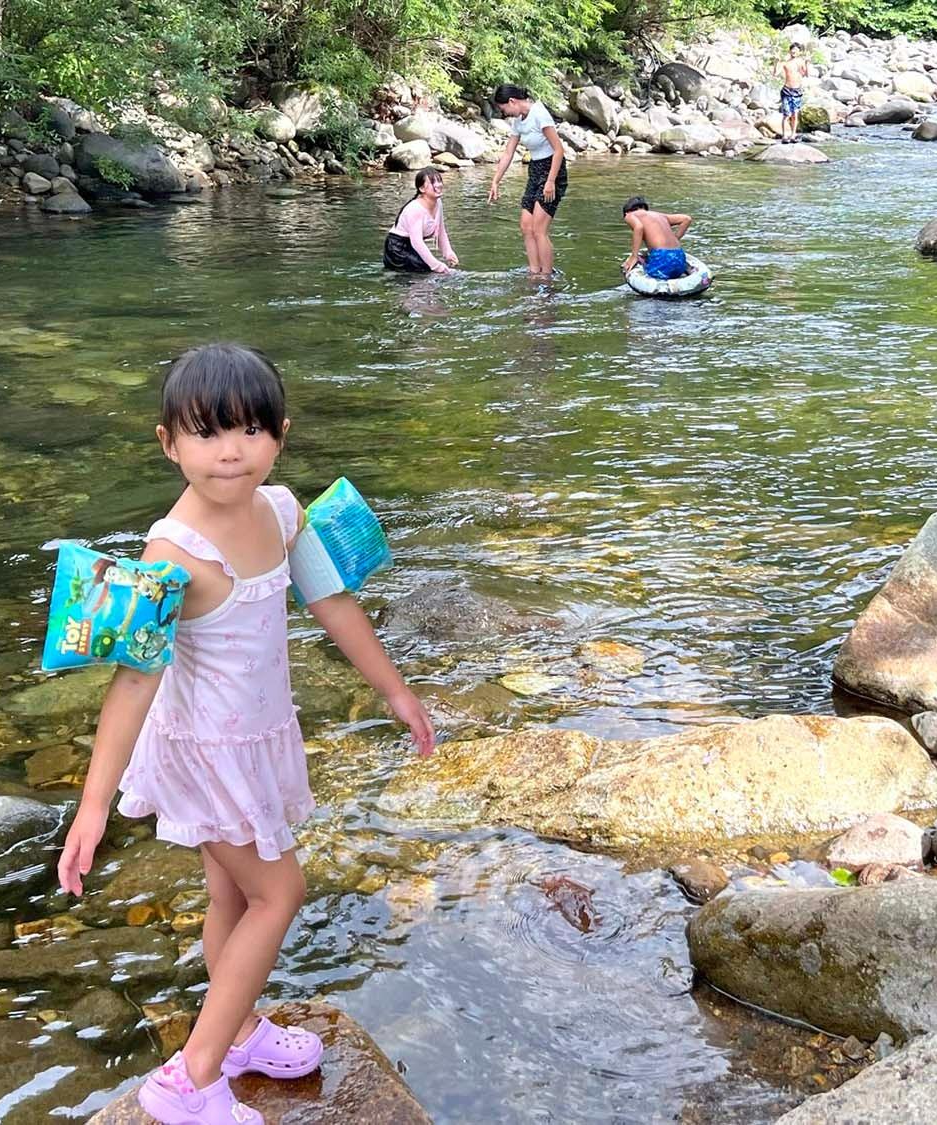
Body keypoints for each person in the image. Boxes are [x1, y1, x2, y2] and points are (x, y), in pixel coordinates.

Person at [57, 343, 436, 1125]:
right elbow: (135, 679)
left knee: (231, 893)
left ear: (281, 435)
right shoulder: (171, 552)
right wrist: (94, 804)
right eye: (206, 433)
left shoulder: (285, 509)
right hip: (202, 752)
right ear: (168, 442)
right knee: (280, 892)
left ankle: (236, 1031)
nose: (231, 451)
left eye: (251, 431)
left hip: (258, 736)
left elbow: (331, 602)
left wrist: (396, 690)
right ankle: (188, 1082)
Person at [487, 84, 567, 278]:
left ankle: (546, 277)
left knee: (539, 228)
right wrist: (495, 181)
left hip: (553, 171)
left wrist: (550, 182)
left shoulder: (539, 114)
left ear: (512, 101)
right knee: (525, 225)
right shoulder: (518, 121)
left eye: (503, 108)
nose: (504, 113)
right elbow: (508, 153)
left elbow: (559, 150)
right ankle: (534, 272)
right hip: (535, 170)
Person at [383, 167, 458, 274]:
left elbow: (441, 232)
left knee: (436, 272)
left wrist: (448, 253)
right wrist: (436, 266)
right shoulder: (415, 209)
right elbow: (417, 242)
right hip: (397, 250)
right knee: (429, 271)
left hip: (411, 247)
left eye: (439, 181)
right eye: (433, 182)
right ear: (422, 189)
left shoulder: (438, 203)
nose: (438, 185)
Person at [620, 196, 693, 280]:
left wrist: (634, 256)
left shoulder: (629, 215)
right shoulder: (660, 215)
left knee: (631, 266)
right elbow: (687, 219)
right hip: (680, 257)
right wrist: (675, 239)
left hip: (661, 258)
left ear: (627, 210)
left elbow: (639, 227)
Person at [779, 44, 807, 140]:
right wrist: (776, 63)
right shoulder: (785, 63)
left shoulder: (801, 62)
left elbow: (806, 74)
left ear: (799, 52)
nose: (794, 51)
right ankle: (784, 135)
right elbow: (775, 73)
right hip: (786, 90)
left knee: (795, 114)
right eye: (793, 50)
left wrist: (807, 63)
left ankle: (793, 134)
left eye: (796, 50)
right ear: (790, 51)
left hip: (797, 90)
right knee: (786, 114)